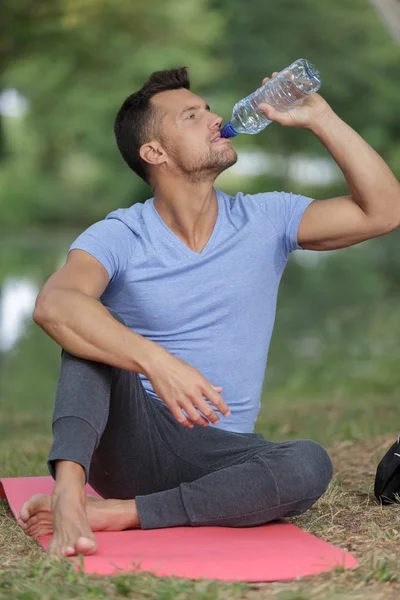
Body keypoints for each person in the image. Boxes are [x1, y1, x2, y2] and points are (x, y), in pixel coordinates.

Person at [18, 67, 400, 558]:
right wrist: (157, 362)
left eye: (209, 110)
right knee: (87, 337)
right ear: (154, 152)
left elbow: (385, 211)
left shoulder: (268, 218)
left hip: (222, 455)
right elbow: (54, 305)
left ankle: (122, 512)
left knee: (308, 463)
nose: (217, 119)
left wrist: (321, 118)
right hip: (137, 439)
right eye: (193, 116)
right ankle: (69, 491)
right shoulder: (121, 234)